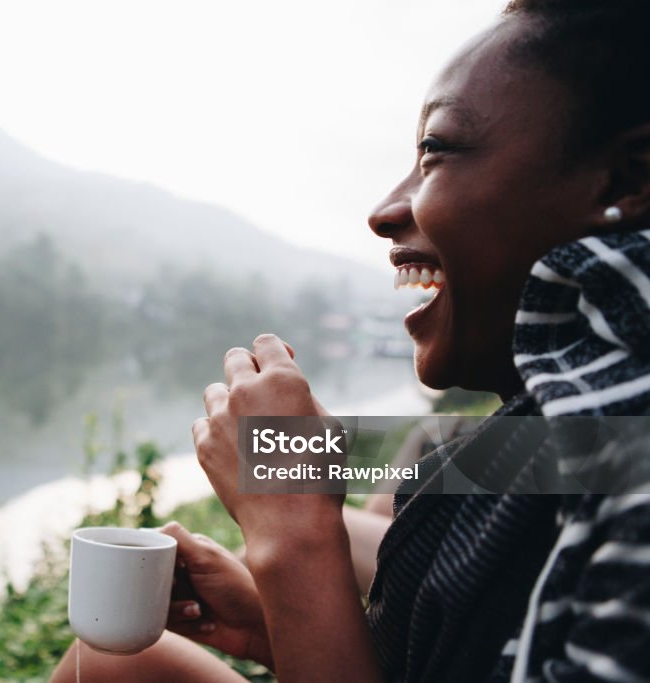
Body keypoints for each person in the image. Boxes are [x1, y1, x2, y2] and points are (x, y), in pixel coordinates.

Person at [50, 1, 650, 680]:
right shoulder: (586, 422)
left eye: (437, 151)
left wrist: (293, 532)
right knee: (119, 663)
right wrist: (268, 623)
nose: (386, 210)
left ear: (628, 180)